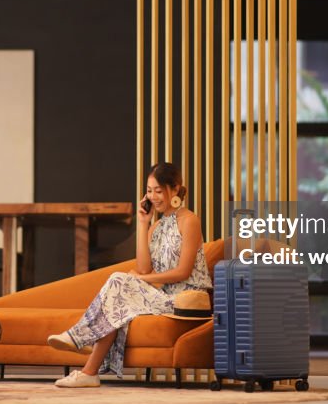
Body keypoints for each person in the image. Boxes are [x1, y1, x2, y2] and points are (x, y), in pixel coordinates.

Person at [46, 162, 212, 388]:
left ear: (175, 189)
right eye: (149, 190)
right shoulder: (156, 227)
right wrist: (143, 224)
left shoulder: (189, 221)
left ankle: (80, 337)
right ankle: (89, 371)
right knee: (118, 302)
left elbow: (182, 272)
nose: (153, 196)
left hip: (187, 298)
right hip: (164, 297)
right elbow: (143, 267)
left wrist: (142, 280)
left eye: (158, 191)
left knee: (118, 280)